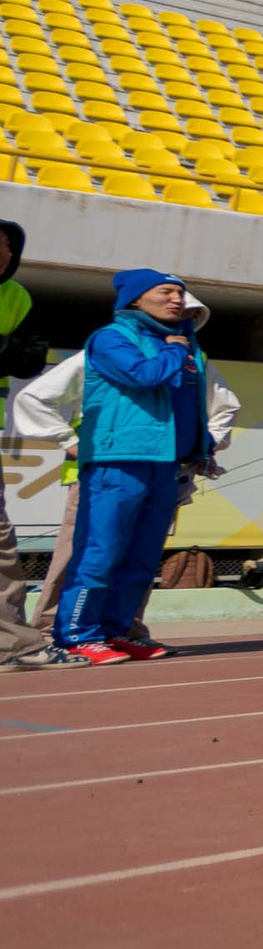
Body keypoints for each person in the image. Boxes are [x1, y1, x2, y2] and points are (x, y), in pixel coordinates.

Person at [18, 288, 241, 660]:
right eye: (166, 293)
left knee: (141, 557)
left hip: (166, 468)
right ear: (136, 299)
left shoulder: (192, 353)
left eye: (182, 297)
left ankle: (116, 631)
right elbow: (39, 397)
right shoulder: (112, 341)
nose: (177, 302)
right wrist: (67, 440)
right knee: (95, 553)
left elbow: (223, 407)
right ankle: (72, 634)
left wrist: (205, 446)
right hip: (112, 465)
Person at [0, 220, 50, 668]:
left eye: (7, 246)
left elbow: (31, 360)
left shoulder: (18, 298)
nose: (2, 252)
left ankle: (12, 642)